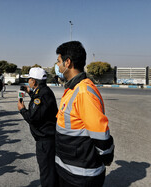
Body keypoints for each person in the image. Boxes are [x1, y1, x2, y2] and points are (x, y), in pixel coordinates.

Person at [54, 41, 114, 187]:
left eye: (59, 61)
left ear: (68, 62)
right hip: (68, 170)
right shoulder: (72, 89)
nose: (57, 65)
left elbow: (101, 136)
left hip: (82, 176)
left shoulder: (84, 92)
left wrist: (106, 157)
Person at [17, 67, 58, 187]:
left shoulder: (41, 95)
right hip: (48, 138)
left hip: (45, 140)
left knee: (47, 172)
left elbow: (32, 117)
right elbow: (38, 102)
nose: (28, 81)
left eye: (29, 79)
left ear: (34, 81)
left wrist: (22, 110)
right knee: (50, 170)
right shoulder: (43, 91)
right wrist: (29, 91)